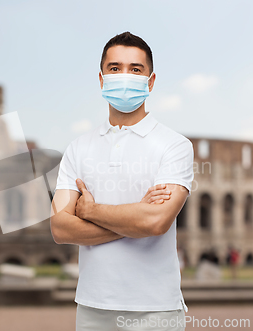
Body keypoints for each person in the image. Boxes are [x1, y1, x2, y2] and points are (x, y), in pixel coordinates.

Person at [51, 31, 193, 331]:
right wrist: (133, 219)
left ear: (151, 81)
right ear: (102, 79)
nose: (124, 76)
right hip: (92, 308)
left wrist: (90, 211)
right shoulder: (79, 148)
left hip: (156, 311)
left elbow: (155, 222)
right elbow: (60, 227)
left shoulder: (174, 146)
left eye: (135, 69)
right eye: (115, 68)